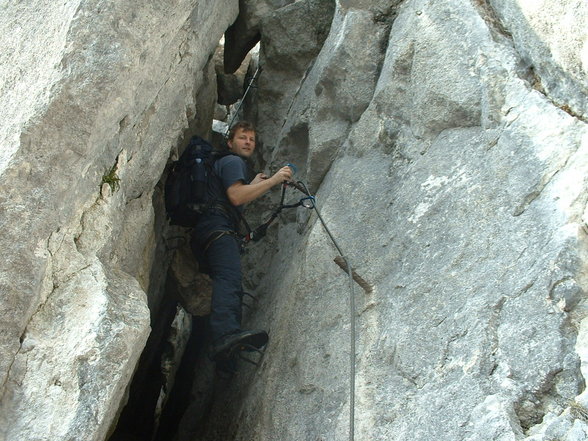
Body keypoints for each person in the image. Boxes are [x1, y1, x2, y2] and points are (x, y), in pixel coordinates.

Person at [190, 121, 292, 365]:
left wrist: (255, 183)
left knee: (228, 278)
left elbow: (234, 195)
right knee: (230, 278)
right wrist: (275, 179)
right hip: (218, 229)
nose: (248, 142)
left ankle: (228, 352)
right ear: (230, 142)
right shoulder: (233, 162)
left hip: (208, 230)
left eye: (252, 139)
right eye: (242, 138)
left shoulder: (223, 164)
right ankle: (225, 336)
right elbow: (236, 197)